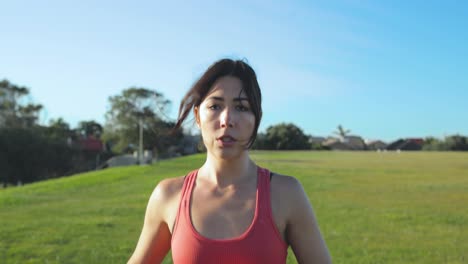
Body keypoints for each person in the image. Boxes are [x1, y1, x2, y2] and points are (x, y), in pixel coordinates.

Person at [128, 58, 331, 264]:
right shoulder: (168, 196)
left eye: (241, 107)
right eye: (215, 106)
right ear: (198, 116)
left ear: (256, 119)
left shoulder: (286, 194)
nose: (227, 120)